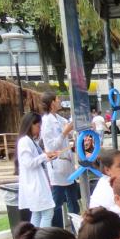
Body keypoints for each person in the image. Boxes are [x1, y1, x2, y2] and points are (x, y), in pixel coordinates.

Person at [42, 93, 80, 228]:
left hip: (68, 165)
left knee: (73, 201)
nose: (60, 101)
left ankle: (76, 229)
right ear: (52, 103)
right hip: (57, 166)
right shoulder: (46, 122)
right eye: (58, 99)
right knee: (56, 203)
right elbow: (51, 146)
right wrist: (64, 132)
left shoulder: (59, 118)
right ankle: (57, 230)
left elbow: (71, 129)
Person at [16, 112, 59, 228]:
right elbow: (28, 163)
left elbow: (37, 159)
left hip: (37, 182)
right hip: (35, 184)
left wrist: (48, 156)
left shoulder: (31, 141)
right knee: (47, 212)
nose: (39, 129)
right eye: (38, 126)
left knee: (38, 213)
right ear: (30, 125)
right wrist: (45, 156)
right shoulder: (25, 141)